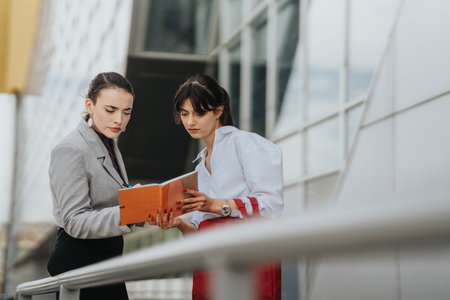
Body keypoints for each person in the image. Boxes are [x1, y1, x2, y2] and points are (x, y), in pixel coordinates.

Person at [150, 74, 283, 299]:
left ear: (218, 111)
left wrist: (215, 205)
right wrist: (180, 225)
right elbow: (203, 231)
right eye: (184, 114)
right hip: (209, 261)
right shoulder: (200, 165)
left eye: (199, 113)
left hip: (247, 253)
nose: (190, 121)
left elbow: (271, 206)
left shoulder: (248, 144)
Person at [47, 72, 136, 299]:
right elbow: (74, 220)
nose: (119, 119)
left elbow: (107, 202)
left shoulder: (108, 143)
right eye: (110, 110)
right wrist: (131, 212)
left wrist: (142, 203)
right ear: (89, 105)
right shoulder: (70, 149)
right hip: (81, 263)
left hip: (105, 262)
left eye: (127, 112)